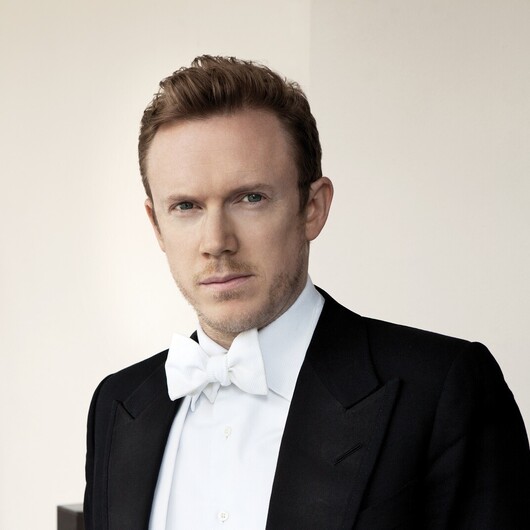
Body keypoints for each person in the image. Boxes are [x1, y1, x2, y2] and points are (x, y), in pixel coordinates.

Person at [84, 55, 529, 530]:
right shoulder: (117, 404)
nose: (216, 242)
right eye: (186, 206)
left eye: (250, 198)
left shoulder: (442, 392)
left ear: (313, 208)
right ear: (156, 225)